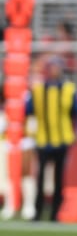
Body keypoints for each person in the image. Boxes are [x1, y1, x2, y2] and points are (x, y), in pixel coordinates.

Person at [25, 56, 77, 222]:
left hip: (62, 139)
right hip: (42, 139)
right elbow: (28, 110)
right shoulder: (37, 90)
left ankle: (55, 213)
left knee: (59, 179)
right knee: (40, 178)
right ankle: (37, 212)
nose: (54, 71)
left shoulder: (68, 89)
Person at [0, 91, 38, 221]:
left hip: (23, 139)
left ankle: (29, 205)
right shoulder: (6, 101)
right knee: (7, 175)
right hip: (6, 141)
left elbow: (32, 114)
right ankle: (9, 204)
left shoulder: (26, 96)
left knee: (26, 173)